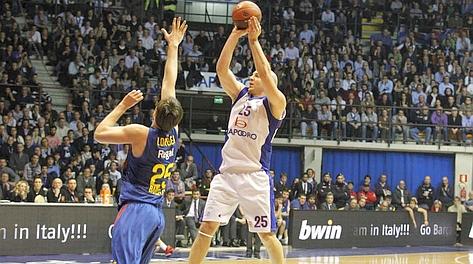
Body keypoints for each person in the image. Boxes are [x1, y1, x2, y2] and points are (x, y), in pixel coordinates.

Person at [189, 17, 286, 264]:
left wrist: (254, 41)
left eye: (257, 75)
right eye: (252, 75)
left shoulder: (275, 104)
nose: (252, 77)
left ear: (269, 83)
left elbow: (265, 70)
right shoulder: (240, 95)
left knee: (266, 234)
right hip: (227, 175)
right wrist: (235, 34)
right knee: (206, 227)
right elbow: (222, 69)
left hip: (254, 176)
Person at [93, 17, 186, 264]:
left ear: (155, 112)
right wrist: (173, 46)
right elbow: (170, 82)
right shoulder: (173, 133)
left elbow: (99, 133)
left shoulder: (141, 133)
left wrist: (123, 104)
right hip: (156, 215)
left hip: (136, 210)